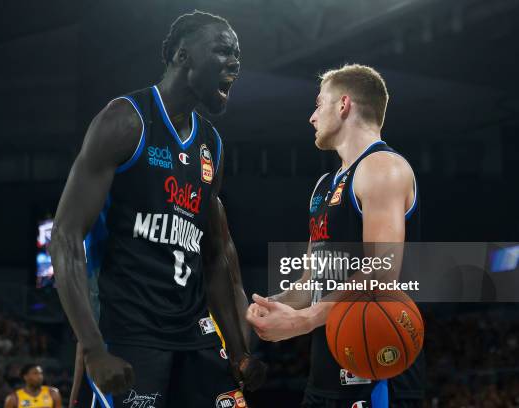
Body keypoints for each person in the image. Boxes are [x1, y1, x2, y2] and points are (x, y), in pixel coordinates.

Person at [50, 10, 266, 408]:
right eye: (222, 51)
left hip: (194, 332)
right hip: (130, 330)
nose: (235, 63)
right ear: (183, 56)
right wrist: (94, 348)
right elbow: (64, 237)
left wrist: (238, 350)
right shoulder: (125, 121)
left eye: (237, 55)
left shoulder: (211, 146)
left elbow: (217, 256)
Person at [246, 64, 424, 407]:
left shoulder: (383, 167)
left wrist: (303, 320)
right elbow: (313, 281)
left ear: (343, 105)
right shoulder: (323, 186)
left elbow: (382, 270)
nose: (312, 117)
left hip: (377, 369)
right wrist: (271, 307)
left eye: (318, 104)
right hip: (326, 370)